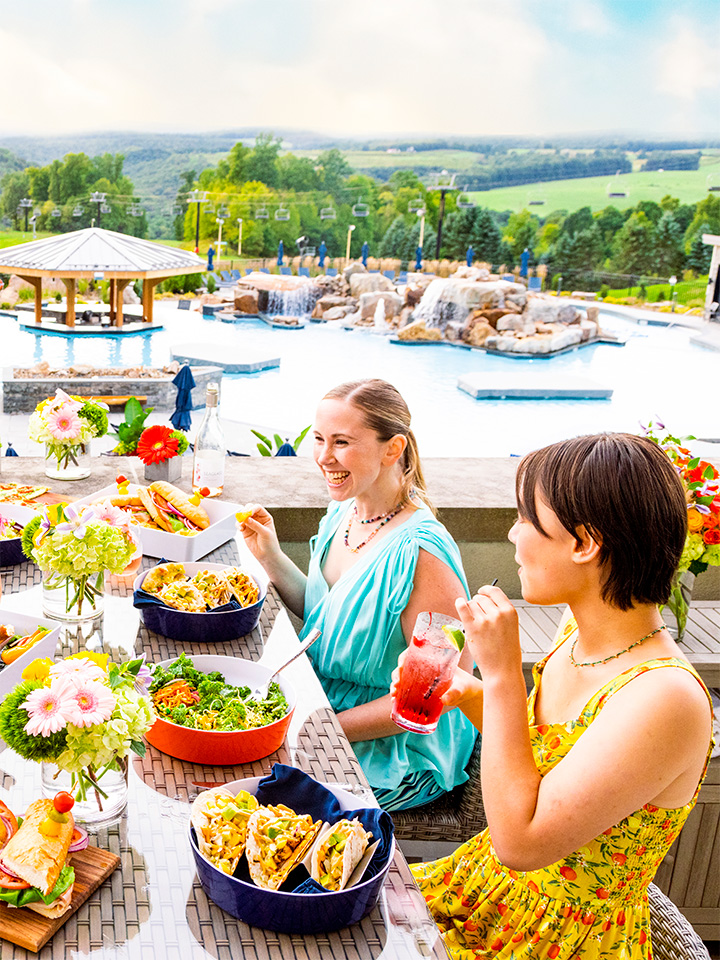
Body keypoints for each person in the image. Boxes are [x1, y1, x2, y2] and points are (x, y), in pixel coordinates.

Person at [400, 433, 714, 958]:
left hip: (552, 938)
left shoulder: (665, 698)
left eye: (527, 518)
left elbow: (521, 843)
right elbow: (539, 755)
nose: (512, 532)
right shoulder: (576, 627)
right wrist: (468, 690)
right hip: (487, 893)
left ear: (584, 543)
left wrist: (501, 675)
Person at [239, 379, 477, 810]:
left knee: (241, 794)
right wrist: (270, 556)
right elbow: (325, 618)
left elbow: (427, 700)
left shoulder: (425, 555)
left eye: (342, 442)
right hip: (316, 708)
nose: (323, 457)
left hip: (393, 751)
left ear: (392, 449)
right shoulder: (342, 515)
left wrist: (319, 728)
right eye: (318, 440)